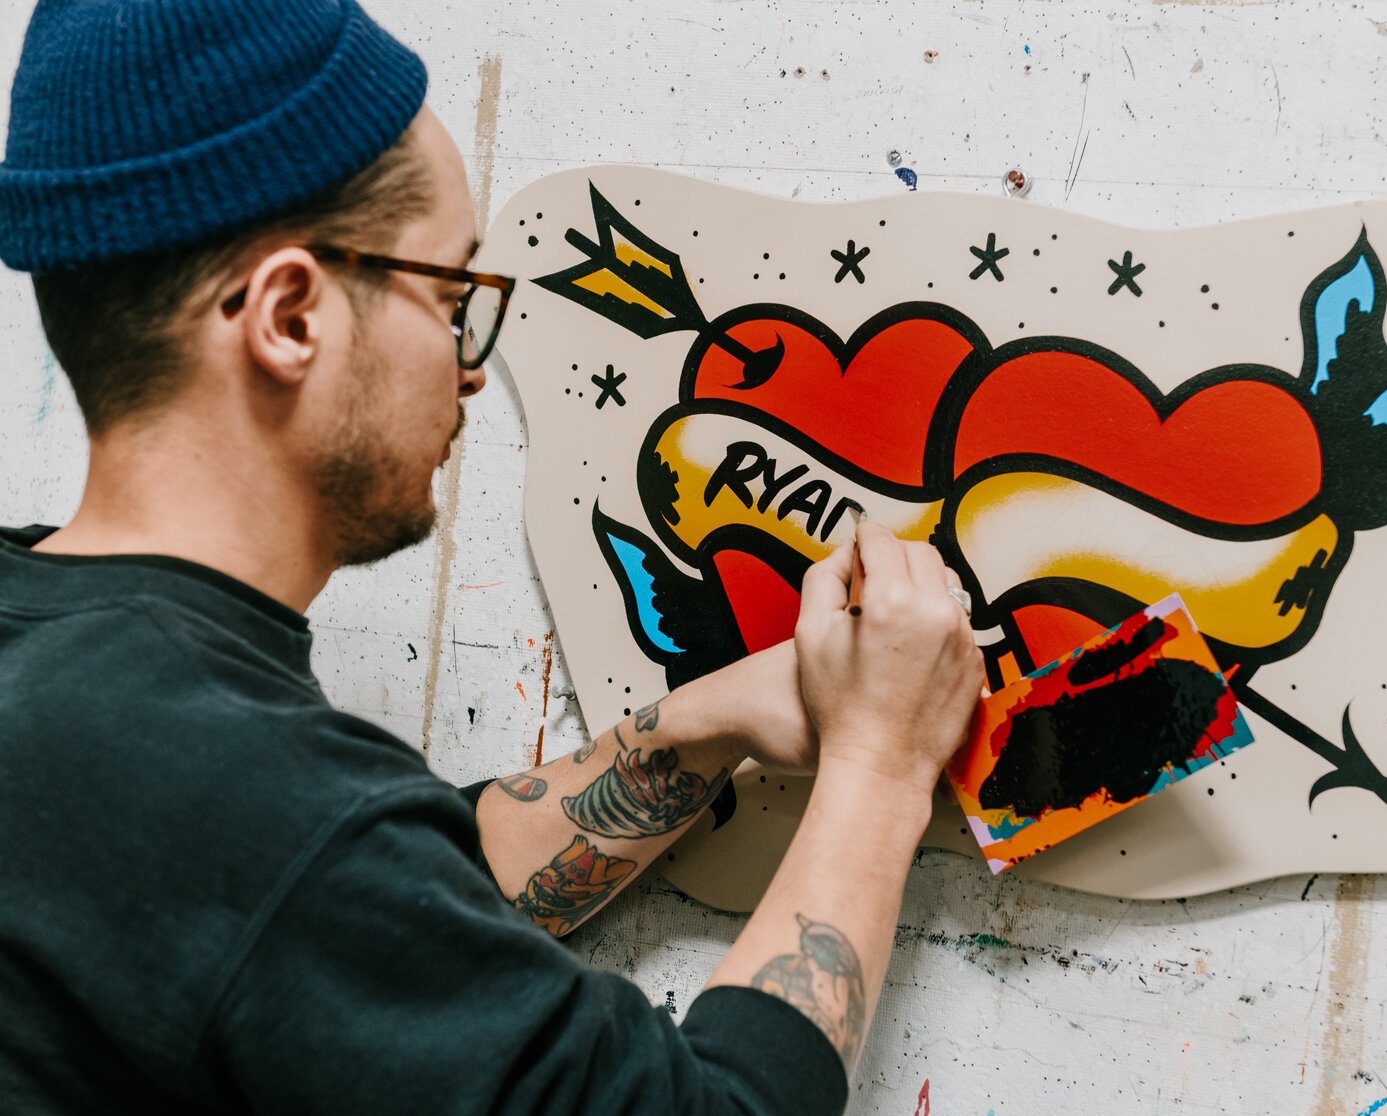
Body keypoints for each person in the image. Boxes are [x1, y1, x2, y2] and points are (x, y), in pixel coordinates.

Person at [0, 2, 984, 1113]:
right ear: (288, 317)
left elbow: (359, 923)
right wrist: (881, 767)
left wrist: (700, 721)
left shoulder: (62, 674)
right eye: (452, 294)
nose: (471, 366)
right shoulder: (247, 801)